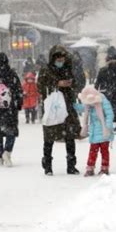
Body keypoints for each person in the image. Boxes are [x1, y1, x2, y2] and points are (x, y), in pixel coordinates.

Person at [37, 45, 81, 176]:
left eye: (62, 59)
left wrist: (70, 84)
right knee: (49, 137)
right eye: (58, 59)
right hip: (52, 107)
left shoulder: (68, 69)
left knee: (70, 136)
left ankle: (71, 165)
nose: (61, 62)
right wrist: (56, 83)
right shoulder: (46, 70)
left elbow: (76, 83)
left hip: (67, 107)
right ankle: (48, 165)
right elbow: (40, 86)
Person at [0, 53, 23, 167]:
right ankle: (7, 151)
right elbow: (18, 90)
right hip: (10, 108)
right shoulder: (11, 74)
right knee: (11, 131)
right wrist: (18, 103)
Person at [79, 86, 114, 176]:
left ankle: (104, 167)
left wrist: (107, 127)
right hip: (94, 132)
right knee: (93, 150)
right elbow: (82, 108)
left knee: (104, 150)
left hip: (103, 130)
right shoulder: (89, 105)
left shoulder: (103, 101)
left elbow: (110, 114)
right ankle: (90, 167)